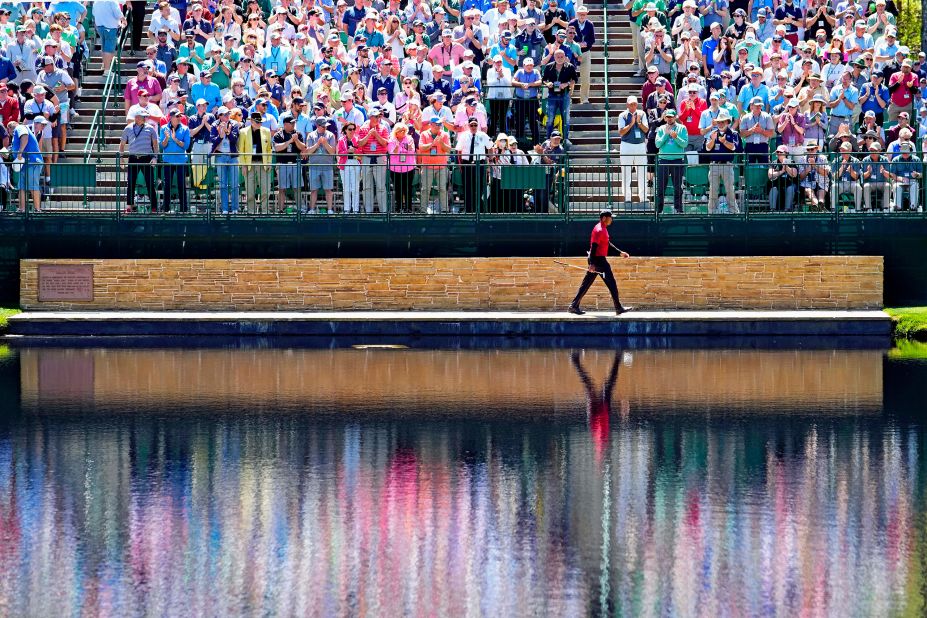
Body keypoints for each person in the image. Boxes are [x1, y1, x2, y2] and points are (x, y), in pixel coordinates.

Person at [568, 210, 632, 315]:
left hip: (596, 260)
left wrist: (620, 253)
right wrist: (592, 264)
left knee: (586, 283)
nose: (612, 219)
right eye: (610, 217)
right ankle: (618, 308)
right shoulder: (599, 230)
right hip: (598, 260)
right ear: (604, 218)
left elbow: (607, 244)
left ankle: (573, 306)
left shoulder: (603, 229)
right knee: (611, 283)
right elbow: (594, 247)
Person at [119, 109, 159, 213]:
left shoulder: (150, 128)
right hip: (132, 158)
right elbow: (122, 144)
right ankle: (129, 206)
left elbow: (155, 145)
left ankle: (154, 206)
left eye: (145, 116)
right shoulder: (128, 128)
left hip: (146, 158)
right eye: (143, 116)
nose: (145, 118)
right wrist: (121, 158)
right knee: (130, 183)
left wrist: (155, 157)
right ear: (137, 117)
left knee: (150, 182)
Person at [703, 109, 741, 213]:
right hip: (714, 165)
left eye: (722, 122)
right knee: (713, 190)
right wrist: (712, 140)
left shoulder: (733, 133)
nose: (720, 124)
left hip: (727, 165)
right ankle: (712, 213)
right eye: (718, 122)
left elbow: (735, 148)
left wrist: (724, 142)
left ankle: (733, 212)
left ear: (728, 122)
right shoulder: (713, 133)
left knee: (730, 190)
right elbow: (707, 148)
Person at [356, 107, 390, 213]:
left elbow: (385, 143)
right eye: (375, 116)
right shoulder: (363, 129)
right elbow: (360, 143)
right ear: (370, 117)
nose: (377, 118)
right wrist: (369, 134)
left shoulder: (383, 128)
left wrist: (376, 135)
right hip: (366, 158)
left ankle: (383, 211)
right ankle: (368, 211)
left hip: (380, 158)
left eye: (378, 116)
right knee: (366, 186)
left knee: (381, 186)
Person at [238, 111, 273, 214]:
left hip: (263, 163)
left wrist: (269, 163)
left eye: (260, 122)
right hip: (249, 164)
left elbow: (269, 149)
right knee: (250, 190)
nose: (259, 124)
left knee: (265, 189)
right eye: (257, 122)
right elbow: (241, 150)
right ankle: (251, 211)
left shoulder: (266, 131)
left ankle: (265, 211)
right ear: (252, 121)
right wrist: (243, 165)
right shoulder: (243, 132)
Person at [455, 117, 493, 212]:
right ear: (468, 125)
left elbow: (490, 147)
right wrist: (460, 165)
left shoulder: (483, 135)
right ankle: (468, 209)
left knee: (479, 186)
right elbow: (459, 150)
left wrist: (490, 160)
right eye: (471, 125)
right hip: (467, 164)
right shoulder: (463, 135)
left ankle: (478, 208)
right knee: (467, 186)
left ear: (478, 125)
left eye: (475, 125)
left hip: (479, 164)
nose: (473, 127)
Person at [654, 108, 687, 213]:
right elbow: (657, 144)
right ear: (665, 117)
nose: (669, 119)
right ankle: (659, 210)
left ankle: (678, 209)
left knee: (678, 188)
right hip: (663, 161)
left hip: (677, 161)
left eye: (671, 116)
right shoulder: (661, 129)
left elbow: (684, 144)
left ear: (675, 117)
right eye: (667, 117)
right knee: (661, 188)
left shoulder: (682, 128)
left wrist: (676, 137)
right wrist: (666, 134)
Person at [617, 96, 649, 205]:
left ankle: (644, 197)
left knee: (642, 172)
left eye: (635, 104)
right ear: (627, 105)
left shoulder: (642, 114)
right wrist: (631, 123)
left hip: (640, 145)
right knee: (626, 172)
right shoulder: (623, 115)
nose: (633, 106)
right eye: (631, 104)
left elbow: (646, 129)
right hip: (627, 145)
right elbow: (621, 132)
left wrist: (638, 122)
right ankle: (627, 197)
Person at [303, 116, 338, 213]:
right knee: (313, 190)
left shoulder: (331, 135)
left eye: (326, 126)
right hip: (314, 167)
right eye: (323, 126)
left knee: (328, 190)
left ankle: (330, 210)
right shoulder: (311, 135)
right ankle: (312, 209)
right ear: (317, 126)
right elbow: (308, 152)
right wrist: (317, 144)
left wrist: (325, 143)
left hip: (327, 167)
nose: (325, 128)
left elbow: (332, 152)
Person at [210, 106, 240, 214]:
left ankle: (235, 208)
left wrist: (227, 132)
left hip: (232, 157)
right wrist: (221, 136)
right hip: (220, 156)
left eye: (228, 114)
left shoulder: (235, 124)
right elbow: (213, 140)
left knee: (235, 184)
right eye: (225, 114)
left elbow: (234, 139)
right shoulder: (214, 125)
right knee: (223, 184)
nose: (227, 116)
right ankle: (225, 209)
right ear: (220, 116)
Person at [418, 117, 452, 213]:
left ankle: (444, 210)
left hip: (441, 166)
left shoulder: (444, 135)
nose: (439, 126)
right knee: (425, 189)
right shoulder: (424, 134)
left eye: (440, 124)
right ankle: (423, 210)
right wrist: (432, 144)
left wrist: (441, 143)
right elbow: (421, 148)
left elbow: (448, 149)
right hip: (427, 166)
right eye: (437, 124)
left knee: (442, 189)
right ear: (431, 124)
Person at [159, 109, 191, 213]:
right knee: (167, 185)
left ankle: (184, 209)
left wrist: (175, 139)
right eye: (176, 116)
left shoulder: (185, 129)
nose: (179, 118)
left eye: (179, 116)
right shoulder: (163, 128)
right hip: (168, 160)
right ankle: (166, 209)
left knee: (181, 185)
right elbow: (162, 145)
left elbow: (186, 146)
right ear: (170, 118)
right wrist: (167, 139)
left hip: (181, 161)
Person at [542, 49, 577, 141]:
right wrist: (547, 84)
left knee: (566, 119)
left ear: (565, 57)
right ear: (554, 57)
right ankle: (548, 139)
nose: (560, 58)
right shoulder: (549, 66)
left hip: (564, 95)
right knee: (550, 119)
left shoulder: (570, 67)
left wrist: (567, 83)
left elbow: (575, 79)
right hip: (552, 96)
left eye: (562, 57)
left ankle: (565, 139)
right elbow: (544, 79)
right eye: (558, 57)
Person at [273, 114, 305, 213]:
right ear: (285, 124)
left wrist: (296, 140)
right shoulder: (278, 135)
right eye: (292, 123)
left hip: (295, 164)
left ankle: (299, 208)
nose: (294, 124)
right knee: (282, 188)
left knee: (297, 188)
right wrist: (290, 140)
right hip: (283, 164)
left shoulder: (297, 134)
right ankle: (281, 209)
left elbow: (303, 147)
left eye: (294, 122)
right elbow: (277, 148)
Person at [8, 120, 42, 213]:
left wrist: (20, 151)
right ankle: (21, 209)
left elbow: (25, 137)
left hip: (32, 161)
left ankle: (37, 210)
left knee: (33, 186)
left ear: (10, 128)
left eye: (9, 132)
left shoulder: (20, 127)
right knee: (21, 187)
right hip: (23, 164)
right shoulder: (19, 130)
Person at [387, 122, 417, 212]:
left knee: (408, 188)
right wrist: (402, 150)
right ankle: (399, 207)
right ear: (396, 132)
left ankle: (408, 208)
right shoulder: (391, 140)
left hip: (409, 168)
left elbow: (412, 151)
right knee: (398, 188)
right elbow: (391, 153)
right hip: (395, 168)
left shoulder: (409, 139)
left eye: (404, 130)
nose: (403, 132)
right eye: (401, 130)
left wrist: (399, 150)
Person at [887, 142, 922, 211]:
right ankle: (897, 207)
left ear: (910, 151)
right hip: (899, 181)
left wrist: (917, 174)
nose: (904, 154)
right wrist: (901, 178)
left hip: (912, 181)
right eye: (903, 152)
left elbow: (921, 174)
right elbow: (892, 175)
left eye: (906, 152)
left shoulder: (916, 159)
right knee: (897, 186)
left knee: (914, 186)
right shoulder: (895, 160)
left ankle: (913, 207)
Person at [337, 122, 362, 214]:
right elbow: (339, 153)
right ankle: (347, 209)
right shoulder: (341, 140)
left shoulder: (358, 139)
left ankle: (355, 209)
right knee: (346, 188)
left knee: (355, 187)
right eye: (350, 129)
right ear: (345, 130)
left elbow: (361, 153)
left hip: (355, 163)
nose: (352, 131)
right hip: (345, 164)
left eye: (353, 129)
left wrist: (355, 150)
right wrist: (347, 151)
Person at [832, 143, 863, 212]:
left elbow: (856, 177)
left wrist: (851, 171)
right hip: (840, 183)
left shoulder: (856, 161)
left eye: (844, 150)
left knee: (858, 187)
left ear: (850, 150)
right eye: (841, 150)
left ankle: (857, 210)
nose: (842, 152)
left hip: (852, 183)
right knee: (834, 186)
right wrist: (842, 167)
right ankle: (833, 210)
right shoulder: (836, 161)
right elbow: (835, 177)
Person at [861, 143, 890, 211]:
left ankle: (885, 207)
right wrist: (868, 172)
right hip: (870, 183)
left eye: (874, 151)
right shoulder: (865, 160)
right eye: (871, 150)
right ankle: (868, 208)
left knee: (888, 185)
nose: (872, 152)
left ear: (879, 151)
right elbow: (862, 177)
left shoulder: (885, 160)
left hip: (882, 182)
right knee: (866, 186)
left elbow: (889, 176)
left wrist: (883, 171)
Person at [768, 145, 798, 211]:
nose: (778, 154)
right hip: (777, 184)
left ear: (786, 153)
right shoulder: (774, 163)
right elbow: (770, 175)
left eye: (780, 152)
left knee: (790, 188)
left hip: (789, 184)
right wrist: (782, 171)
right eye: (777, 152)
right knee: (774, 189)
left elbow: (794, 174)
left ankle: (787, 209)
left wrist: (787, 167)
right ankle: (772, 210)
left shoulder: (791, 162)